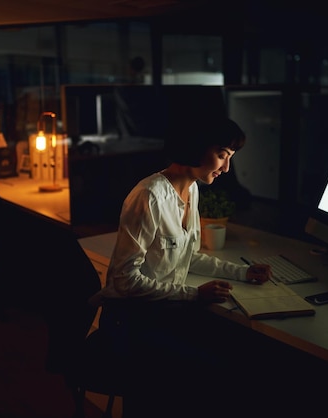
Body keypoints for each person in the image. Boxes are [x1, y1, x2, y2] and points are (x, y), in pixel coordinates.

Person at [89, 116, 271, 416]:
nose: (226, 168)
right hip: (132, 320)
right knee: (216, 371)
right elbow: (123, 280)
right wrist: (194, 295)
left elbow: (188, 256)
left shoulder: (192, 190)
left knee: (241, 355)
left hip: (165, 312)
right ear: (197, 148)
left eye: (230, 158)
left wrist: (242, 272)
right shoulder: (148, 196)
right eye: (223, 155)